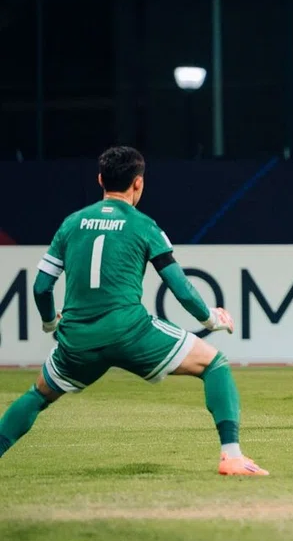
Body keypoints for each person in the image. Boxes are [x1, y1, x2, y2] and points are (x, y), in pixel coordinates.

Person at [0, 146, 269, 475]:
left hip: (78, 339)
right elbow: (180, 286)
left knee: (38, 395)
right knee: (215, 364)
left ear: (101, 180)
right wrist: (210, 318)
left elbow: (41, 287)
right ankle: (232, 457)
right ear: (138, 183)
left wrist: (49, 324)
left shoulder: (71, 224)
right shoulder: (144, 226)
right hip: (130, 332)